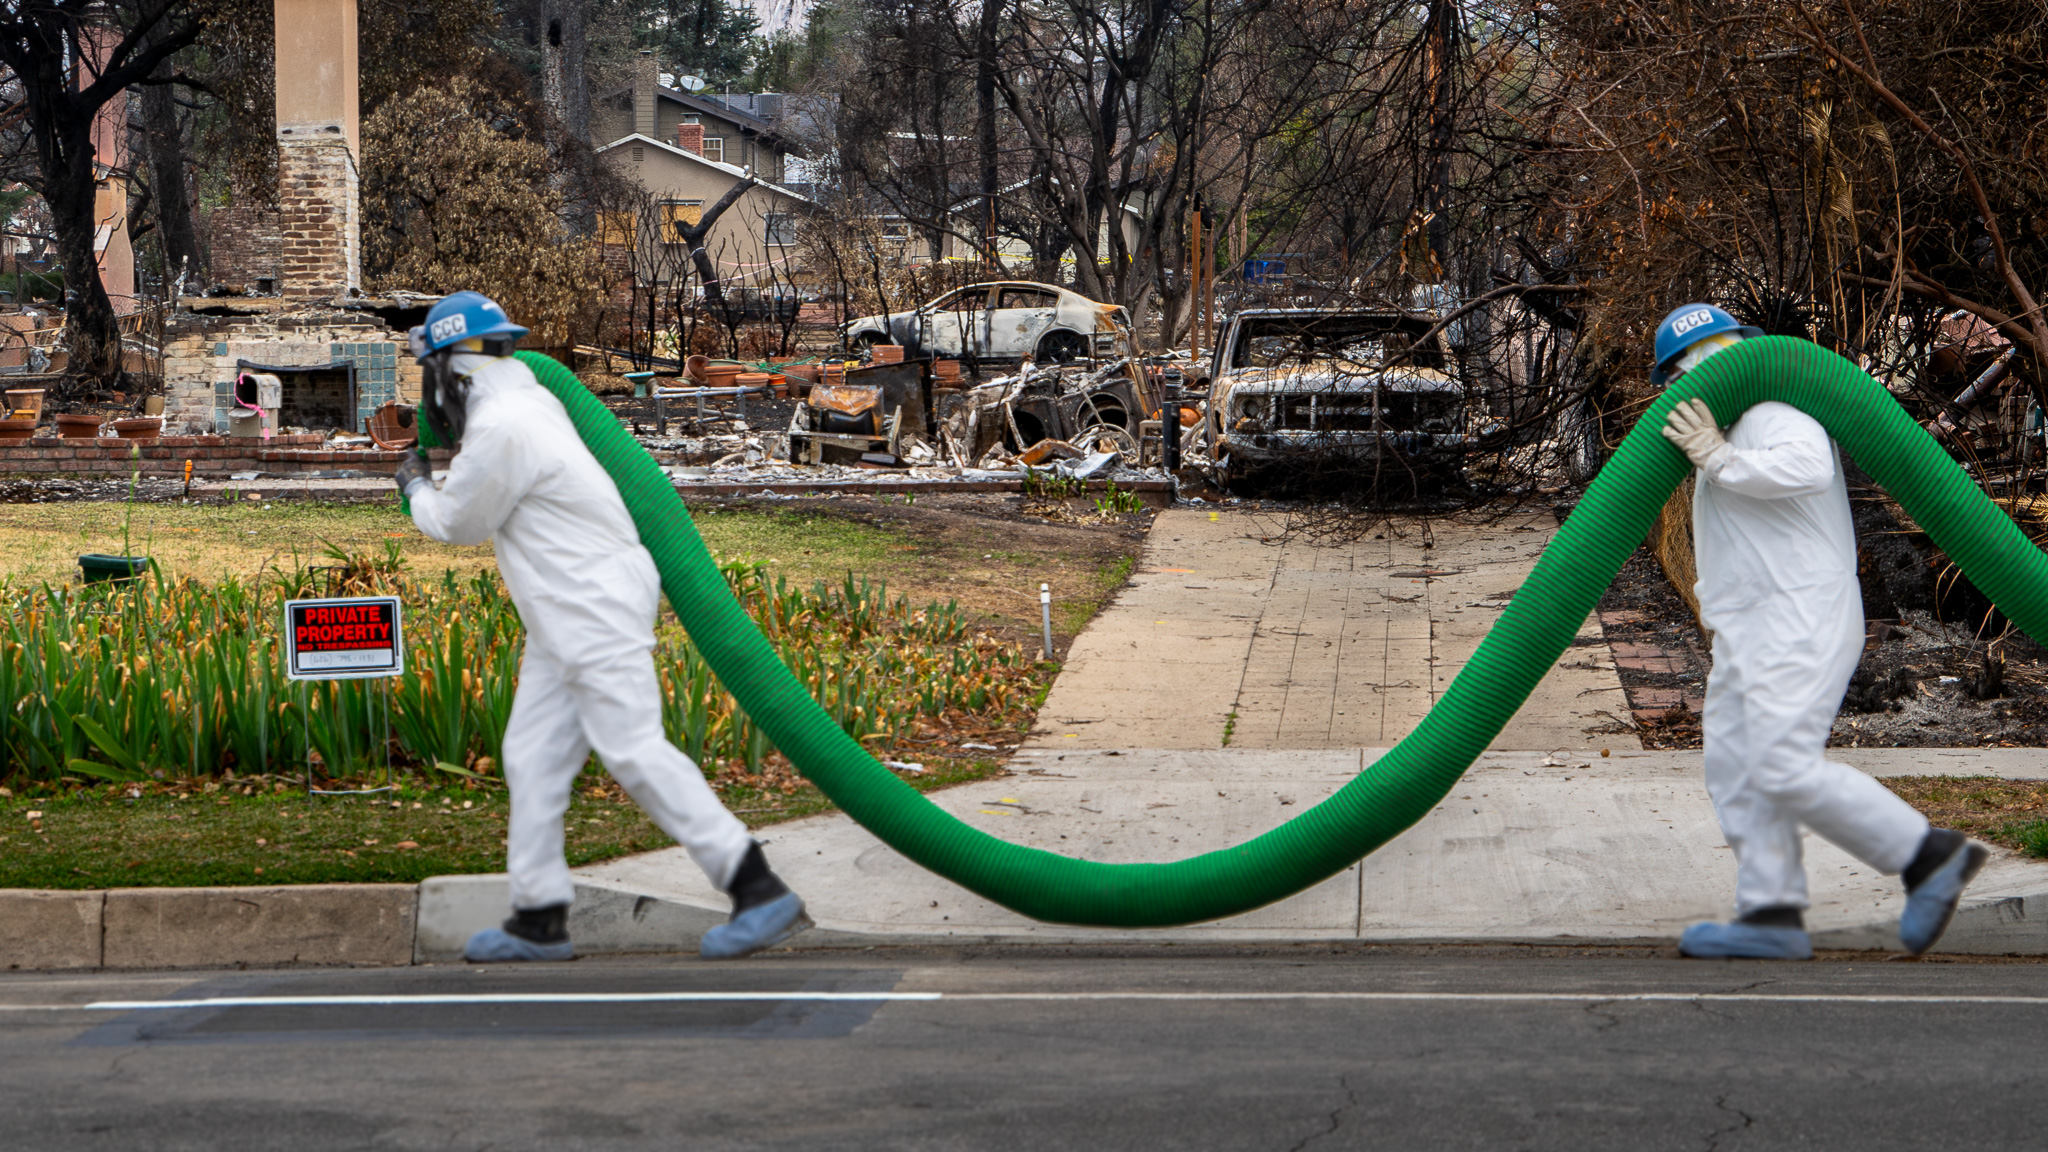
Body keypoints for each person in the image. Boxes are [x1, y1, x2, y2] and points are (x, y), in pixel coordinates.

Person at [396, 291, 810, 962]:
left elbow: (456, 523)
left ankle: (756, 887)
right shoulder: (527, 403)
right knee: (531, 756)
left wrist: (414, 484)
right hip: (566, 612)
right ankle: (538, 916)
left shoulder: (502, 424)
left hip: (588, 604)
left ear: (452, 366)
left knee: (634, 749)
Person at [1653, 303, 1988, 960]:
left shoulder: (1773, 415)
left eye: (1712, 360)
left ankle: (1928, 855)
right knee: (1734, 767)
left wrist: (1718, 459)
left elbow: (1805, 468)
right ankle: (1770, 911)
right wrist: (1714, 459)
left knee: (1779, 764)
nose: (1702, 378)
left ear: (1746, 356)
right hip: (1749, 634)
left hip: (1798, 621)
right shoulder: (1727, 435)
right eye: (1688, 371)